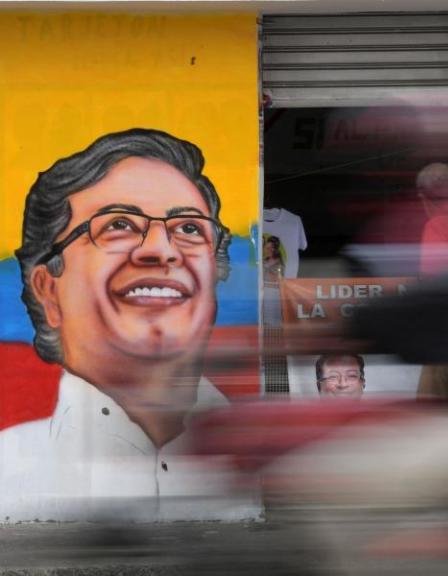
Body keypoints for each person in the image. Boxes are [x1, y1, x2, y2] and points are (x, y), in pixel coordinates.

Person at [0, 128, 260, 521]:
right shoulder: (10, 473)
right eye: (117, 225)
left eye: (190, 229)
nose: (162, 249)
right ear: (47, 289)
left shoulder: (268, 463)